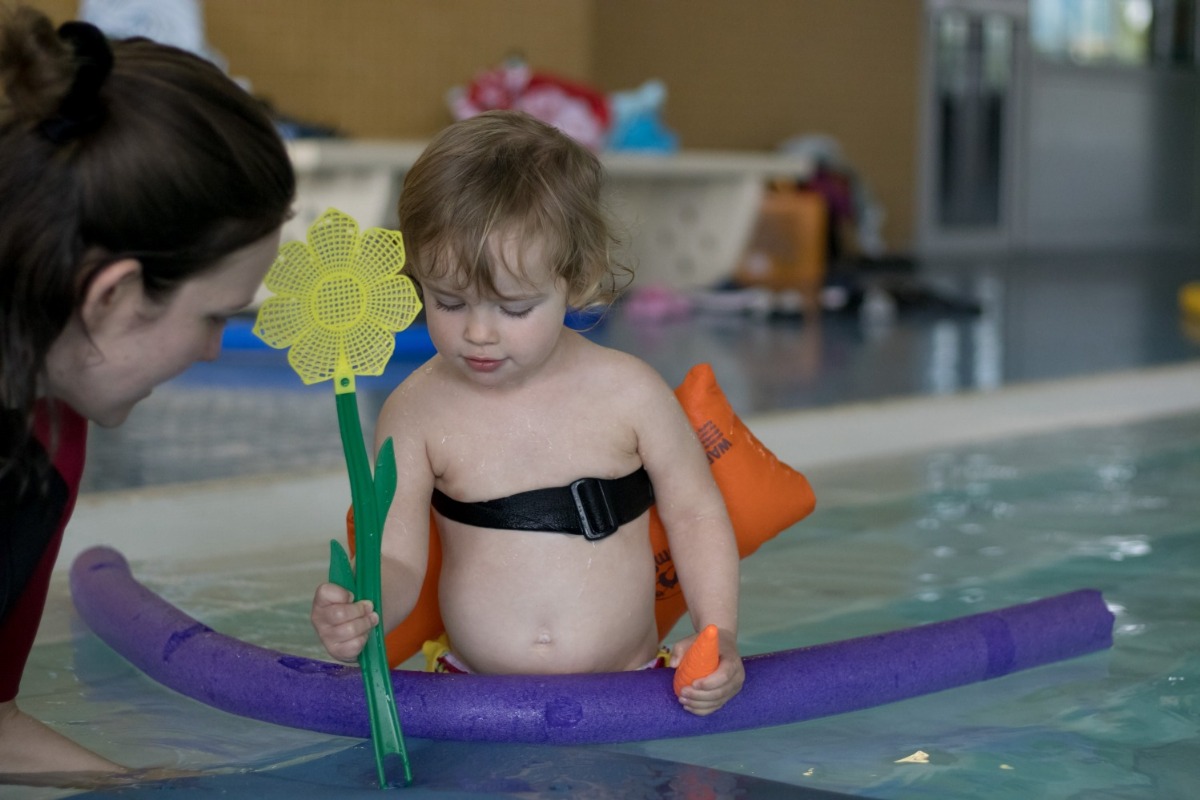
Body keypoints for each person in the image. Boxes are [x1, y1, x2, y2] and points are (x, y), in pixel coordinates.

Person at [311, 110, 745, 715]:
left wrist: (718, 632)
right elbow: (397, 556)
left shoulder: (630, 393)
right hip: (472, 694)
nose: (479, 333)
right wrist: (363, 608)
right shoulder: (415, 413)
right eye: (449, 301)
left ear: (577, 278)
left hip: (632, 688)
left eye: (514, 309)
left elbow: (696, 515)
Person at [0, 6, 294, 780]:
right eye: (215, 317)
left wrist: (146, 788)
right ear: (111, 297)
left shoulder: (51, 429)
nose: (211, 350)